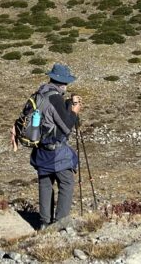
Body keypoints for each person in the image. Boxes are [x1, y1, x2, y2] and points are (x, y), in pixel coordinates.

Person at [22, 63, 82, 231]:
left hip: (39, 148)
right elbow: (67, 125)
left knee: (45, 183)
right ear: (62, 83)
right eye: (66, 83)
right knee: (66, 182)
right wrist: (75, 111)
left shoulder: (40, 93)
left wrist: (68, 105)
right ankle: (60, 222)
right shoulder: (55, 98)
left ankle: (43, 222)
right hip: (56, 151)